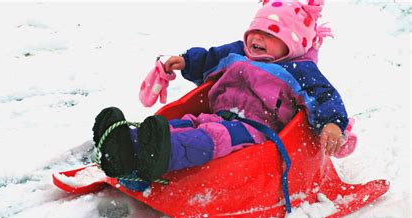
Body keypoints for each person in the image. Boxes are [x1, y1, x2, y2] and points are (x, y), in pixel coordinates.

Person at [92, 0, 356, 191]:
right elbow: (211, 57)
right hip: (215, 115)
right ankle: (127, 145)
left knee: (211, 138)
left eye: (270, 35)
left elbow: (324, 96)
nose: (257, 38)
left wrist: (332, 123)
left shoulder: (300, 71)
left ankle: (160, 156)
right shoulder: (238, 52)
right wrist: (185, 61)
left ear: (294, 43)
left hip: (256, 131)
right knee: (182, 124)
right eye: (256, 31)